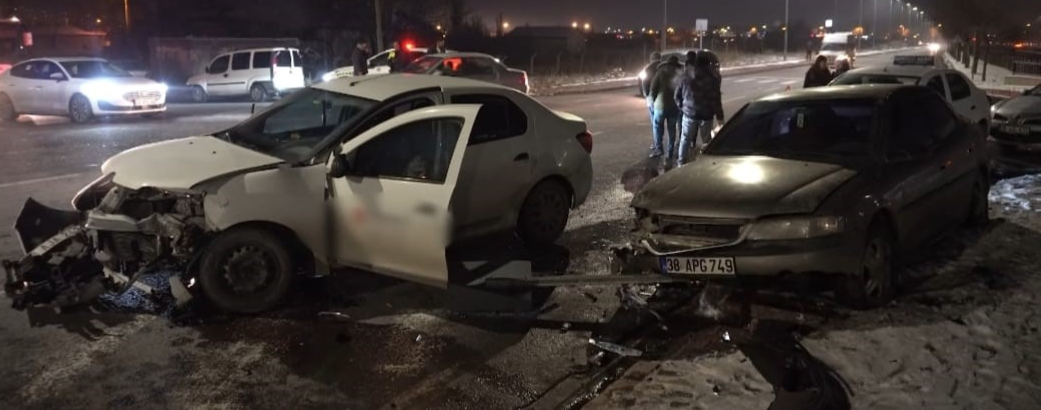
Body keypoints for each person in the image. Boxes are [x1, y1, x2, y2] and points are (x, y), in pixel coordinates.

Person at [675, 52, 724, 166]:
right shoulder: (712, 79)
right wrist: (720, 117)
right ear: (708, 65)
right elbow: (716, 100)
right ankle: (706, 164)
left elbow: (677, 96)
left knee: (685, 139)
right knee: (706, 141)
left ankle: (681, 163)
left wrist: (683, 108)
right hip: (706, 116)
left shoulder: (686, 77)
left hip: (689, 114)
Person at [649, 55, 683, 165]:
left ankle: (659, 148)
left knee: (658, 126)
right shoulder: (680, 75)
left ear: (667, 64)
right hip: (675, 107)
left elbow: (653, 89)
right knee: (672, 129)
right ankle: (670, 152)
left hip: (660, 105)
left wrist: (652, 102)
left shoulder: (660, 73)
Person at [642, 52, 663, 157]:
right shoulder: (663, 68)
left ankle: (657, 145)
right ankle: (670, 145)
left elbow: (645, 85)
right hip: (663, 99)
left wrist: (647, 96)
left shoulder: (648, 69)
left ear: (651, 59)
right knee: (666, 124)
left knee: (656, 123)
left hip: (652, 99)